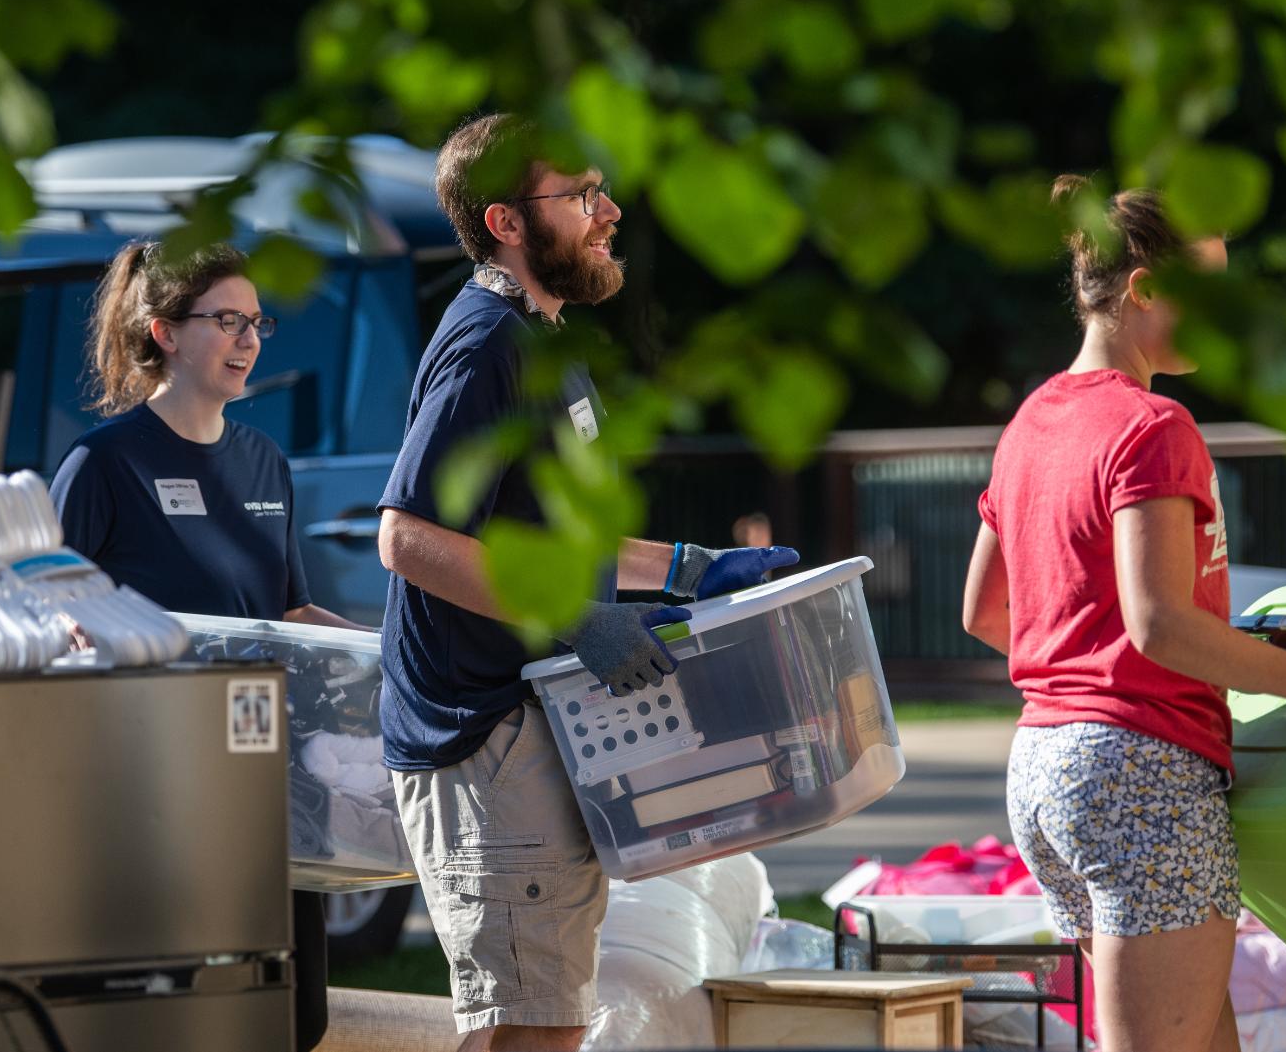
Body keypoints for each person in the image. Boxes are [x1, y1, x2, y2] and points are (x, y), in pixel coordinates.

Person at [961, 175, 1286, 1052]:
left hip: (1044, 772)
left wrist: (1092, 663)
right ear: (1143, 290)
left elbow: (987, 611)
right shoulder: (1152, 426)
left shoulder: (1030, 421)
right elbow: (1163, 626)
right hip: (1143, 783)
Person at [376, 113, 798, 1052]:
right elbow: (406, 537)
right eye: (579, 195)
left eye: (603, 188)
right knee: (530, 1031)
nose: (608, 211)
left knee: (543, 1020)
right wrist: (578, 620)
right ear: (508, 222)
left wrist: (686, 568)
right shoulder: (488, 341)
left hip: (528, 732)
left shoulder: (544, 339)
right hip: (483, 738)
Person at [47, 238, 360, 1052]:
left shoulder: (265, 462)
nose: (250, 339)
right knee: (177, 1010)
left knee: (293, 1013)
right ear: (165, 333)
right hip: (154, 788)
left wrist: (388, 648)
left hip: (269, 779)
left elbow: (288, 610)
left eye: (257, 322)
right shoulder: (101, 463)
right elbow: (52, 617)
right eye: (228, 320)